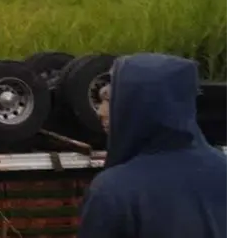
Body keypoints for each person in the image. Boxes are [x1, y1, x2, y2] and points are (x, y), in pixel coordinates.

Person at [78, 53, 227, 238]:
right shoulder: (222, 169)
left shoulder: (114, 191)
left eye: (110, 100)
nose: (100, 112)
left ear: (139, 104)